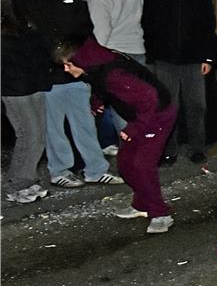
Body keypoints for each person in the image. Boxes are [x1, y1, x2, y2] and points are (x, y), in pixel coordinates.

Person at [15, 0, 121, 188]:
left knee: (83, 121)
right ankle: (60, 169)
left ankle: (95, 169)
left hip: (76, 70)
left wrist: (79, 58)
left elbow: (84, 28)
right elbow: (32, 36)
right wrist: (52, 57)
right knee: (54, 126)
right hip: (48, 73)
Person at [54, 36, 178, 233]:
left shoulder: (114, 74)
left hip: (158, 116)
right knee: (126, 163)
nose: (66, 70)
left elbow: (150, 99)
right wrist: (98, 102)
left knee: (142, 165)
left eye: (68, 65)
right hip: (143, 115)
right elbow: (99, 84)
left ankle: (160, 213)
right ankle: (141, 205)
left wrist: (134, 128)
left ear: (80, 60)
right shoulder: (96, 67)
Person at [141, 0, 217, 165]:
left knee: (196, 105)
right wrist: (153, 53)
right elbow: (148, 24)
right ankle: (169, 149)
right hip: (165, 60)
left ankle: (197, 147)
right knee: (168, 106)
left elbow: (208, 28)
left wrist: (208, 58)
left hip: (193, 59)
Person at [2, 0, 52, 203]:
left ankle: (28, 179)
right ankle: (18, 183)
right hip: (14, 85)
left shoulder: (18, 10)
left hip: (33, 79)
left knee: (39, 134)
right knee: (28, 133)